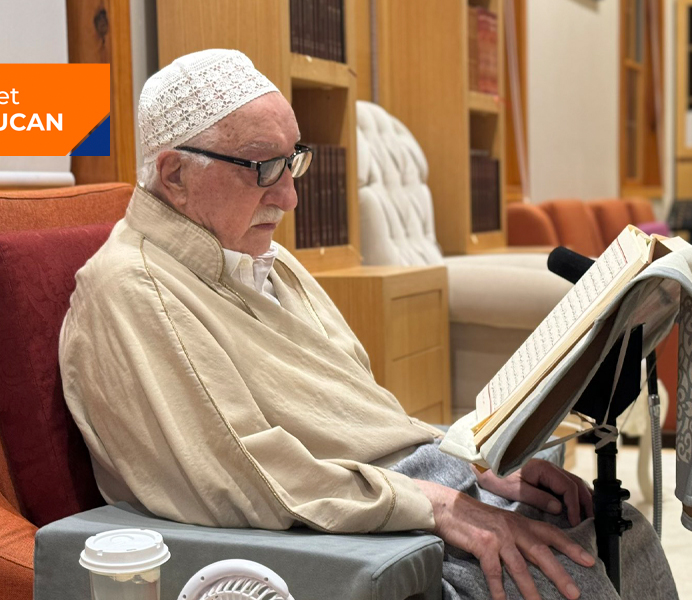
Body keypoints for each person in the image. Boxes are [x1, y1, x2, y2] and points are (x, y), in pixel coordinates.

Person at [59, 49, 677, 600]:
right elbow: (244, 480)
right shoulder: (133, 290)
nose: (289, 197)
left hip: (395, 489)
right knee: (566, 572)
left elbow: (364, 421)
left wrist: (476, 465)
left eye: (292, 161)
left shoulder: (265, 260)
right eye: (261, 168)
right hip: (347, 529)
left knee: (616, 526)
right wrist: (443, 505)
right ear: (175, 175)